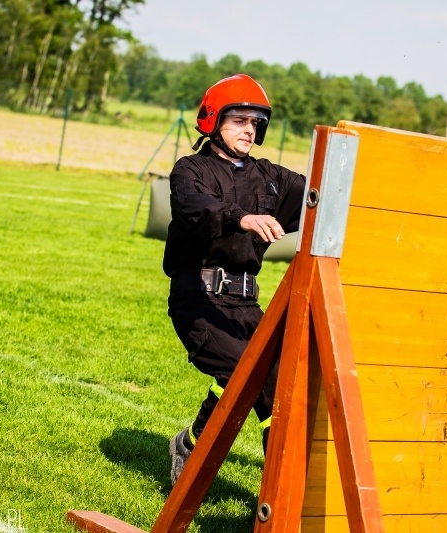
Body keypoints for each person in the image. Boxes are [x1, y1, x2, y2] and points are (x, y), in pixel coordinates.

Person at [163, 74, 306, 485]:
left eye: (255, 122)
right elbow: (197, 207)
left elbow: (321, 193)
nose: (250, 129)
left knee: (280, 384)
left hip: (248, 305)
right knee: (249, 373)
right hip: (199, 303)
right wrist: (241, 217)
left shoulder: (271, 177)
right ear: (212, 120)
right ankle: (277, 495)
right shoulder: (190, 170)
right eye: (240, 119)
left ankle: (193, 447)